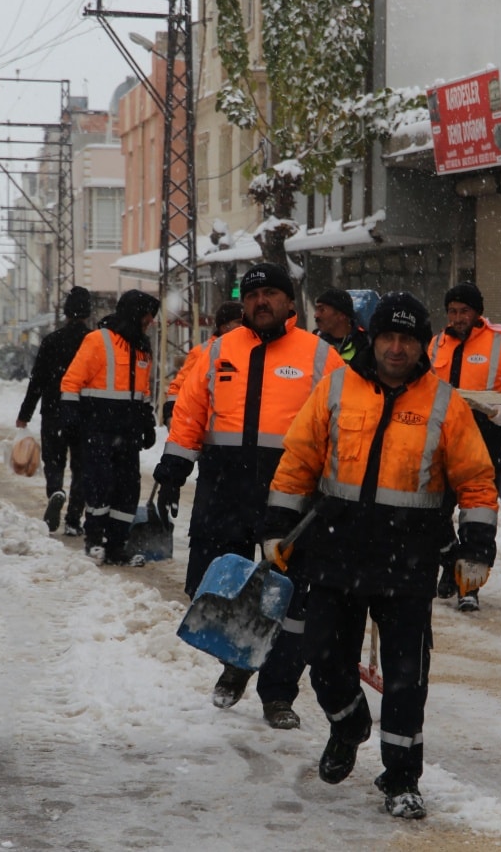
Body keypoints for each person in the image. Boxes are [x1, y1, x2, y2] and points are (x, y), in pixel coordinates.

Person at [262, 291, 498, 819]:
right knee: (323, 658)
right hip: (336, 550)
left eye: (407, 339)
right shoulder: (336, 388)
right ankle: (348, 723)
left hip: (409, 560)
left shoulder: (445, 404)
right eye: (388, 336)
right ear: (373, 338)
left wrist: (477, 547)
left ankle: (401, 778)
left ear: (422, 345)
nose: (396, 348)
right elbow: (299, 459)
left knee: (406, 678)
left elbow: (477, 482)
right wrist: (278, 526)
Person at [153, 262, 345, 729]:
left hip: (290, 491)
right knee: (219, 585)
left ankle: (278, 693)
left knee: (290, 596)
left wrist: (341, 484)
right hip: (225, 487)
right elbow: (191, 414)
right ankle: (236, 662)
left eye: (271, 294)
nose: (261, 302)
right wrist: (172, 471)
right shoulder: (218, 350)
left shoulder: (320, 356)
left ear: (289, 301)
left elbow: (344, 421)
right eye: (253, 295)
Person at [428, 282, 501, 611]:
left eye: (464, 311)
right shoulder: (436, 344)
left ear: (477, 313)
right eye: (452, 311)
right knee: (431, 515)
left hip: (486, 444)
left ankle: (469, 587)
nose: (457, 317)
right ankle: (450, 562)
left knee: (478, 521)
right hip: (441, 444)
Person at [60, 289, 160, 566]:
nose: (150, 321)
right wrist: (70, 418)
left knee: (128, 489)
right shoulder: (98, 340)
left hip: (128, 433)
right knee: (100, 485)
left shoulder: (142, 348)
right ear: (134, 313)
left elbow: (143, 392)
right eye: (147, 315)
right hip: (99, 429)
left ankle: (117, 545)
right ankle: (94, 541)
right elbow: (71, 382)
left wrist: (148, 423)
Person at [17, 286, 93, 535]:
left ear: (66, 312)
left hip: (53, 411)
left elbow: (37, 381)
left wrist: (25, 414)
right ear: (88, 312)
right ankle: (73, 520)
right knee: (82, 467)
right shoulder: (94, 342)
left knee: (54, 461)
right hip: (84, 413)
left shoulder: (51, 341)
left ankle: (56, 491)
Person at [161, 300, 243, 428]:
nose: (244, 326)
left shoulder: (248, 351)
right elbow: (179, 387)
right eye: (239, 322)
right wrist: (171, 415)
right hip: (208, 429)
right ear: (224, 327)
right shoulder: (202, 352)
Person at [313, 287, 368, 362]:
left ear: (341, 315)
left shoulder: (364, 344)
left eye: (322, 310)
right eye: (316, 310)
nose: (315, 315)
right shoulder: (314, 340)